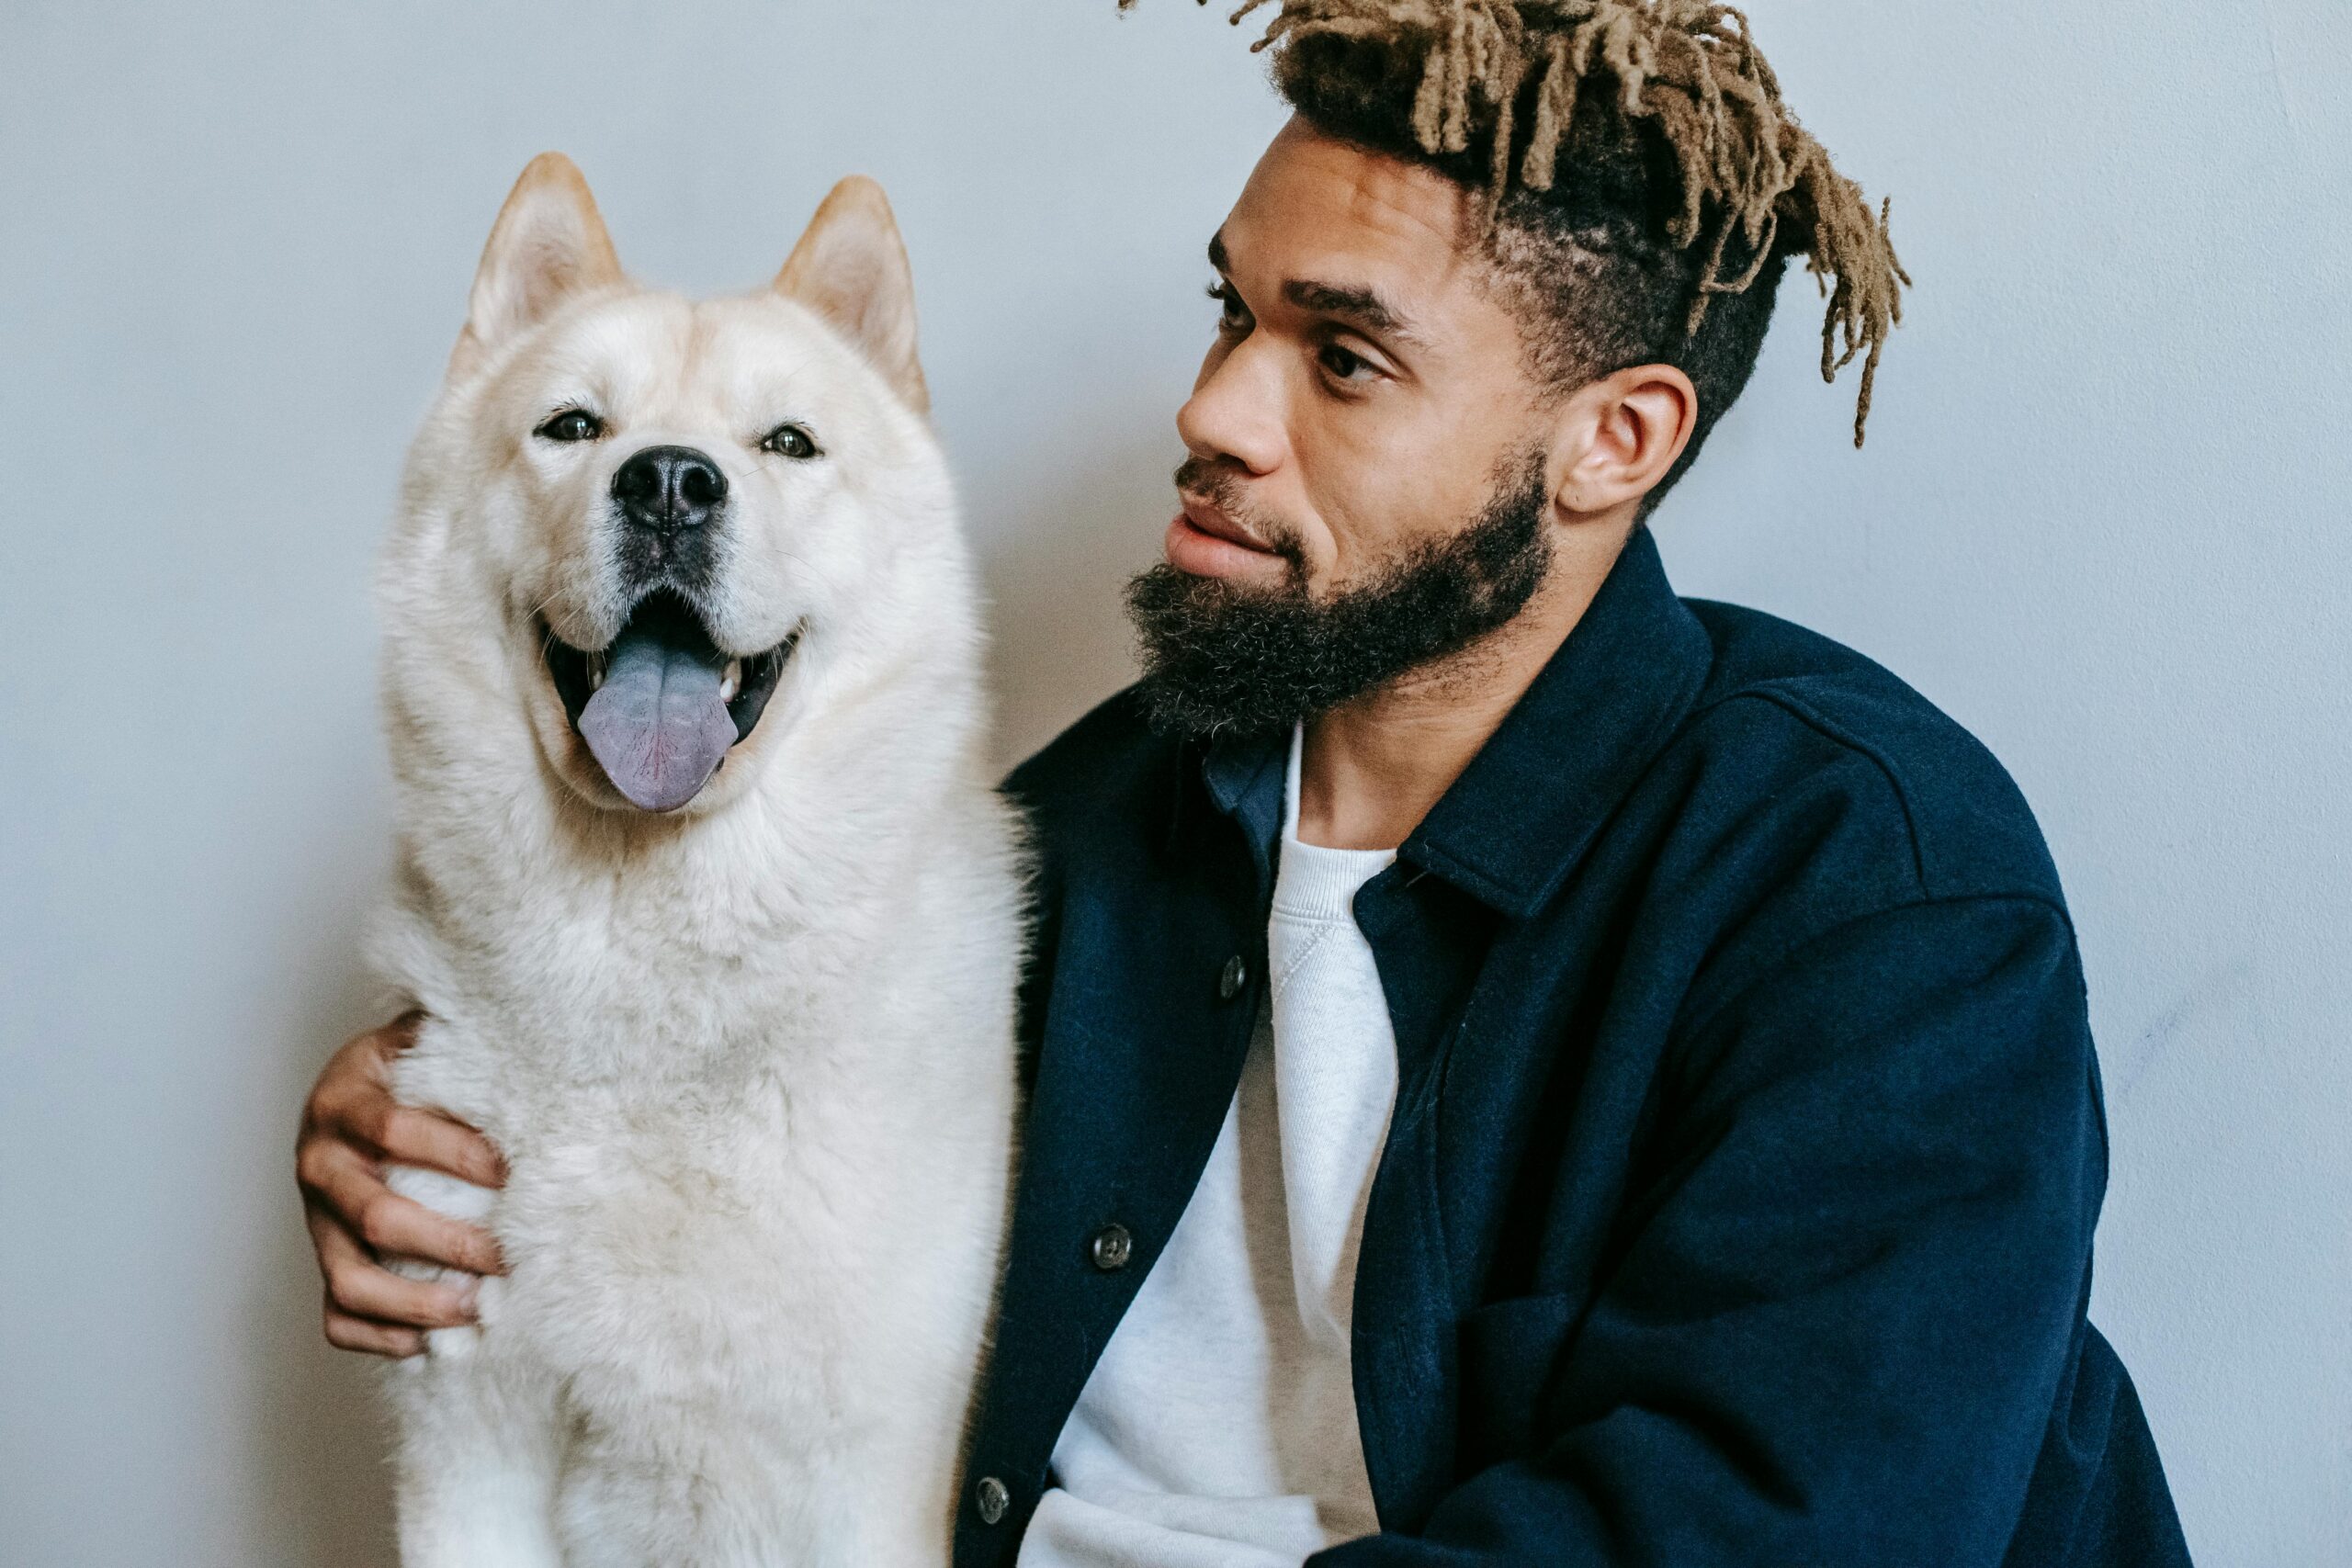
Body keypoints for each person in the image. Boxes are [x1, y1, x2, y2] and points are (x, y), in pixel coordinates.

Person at [295, 4, 2192, 1563]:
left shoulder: (1869, 894)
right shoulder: (1073, 838)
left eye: (1342, 358)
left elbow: (1766, 1537)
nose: (1207, 413)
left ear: (1607, 442)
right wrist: (427, 1123)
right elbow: (707, 1092)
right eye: (1232, 312)